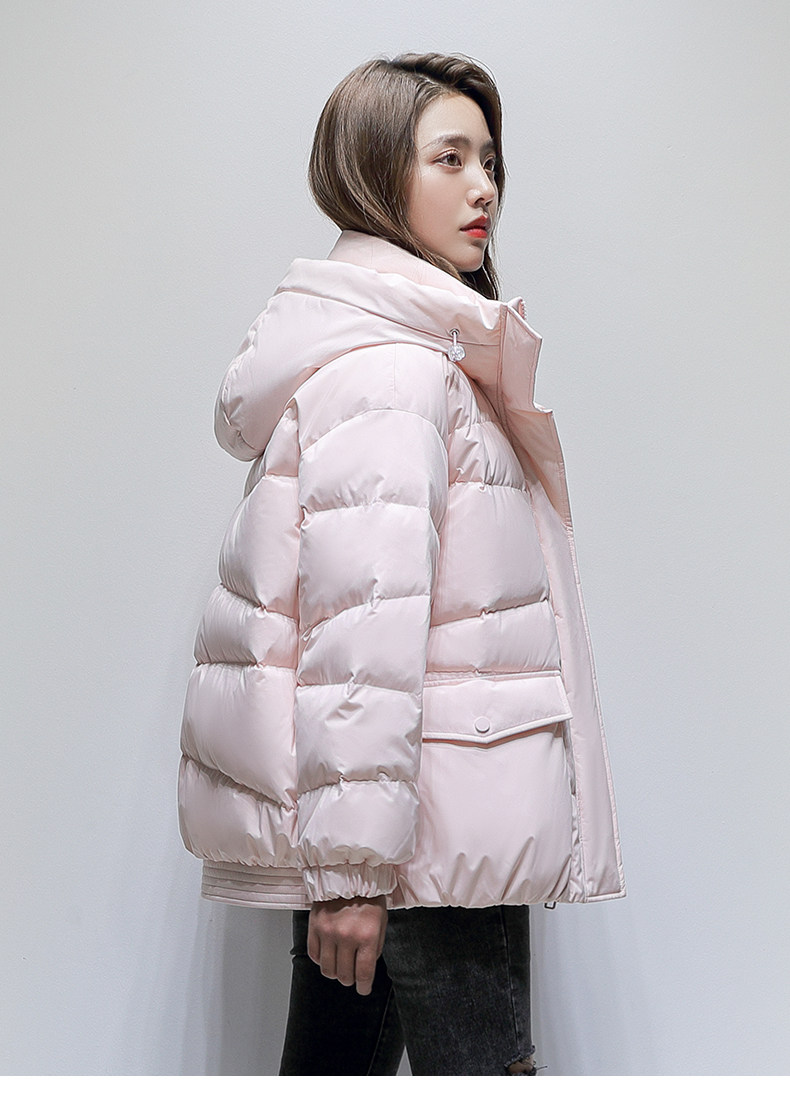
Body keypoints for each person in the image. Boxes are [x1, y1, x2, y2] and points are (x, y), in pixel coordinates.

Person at [177, 52, 626, 1076]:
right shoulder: (392, 369)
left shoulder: (404, 351)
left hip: (408, 826)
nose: (484, 188)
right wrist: (350, 873)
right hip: (431, 834)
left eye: (489, 160)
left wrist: (354, 865)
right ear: (376, 174)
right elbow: (361, 635)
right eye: (449, 158)